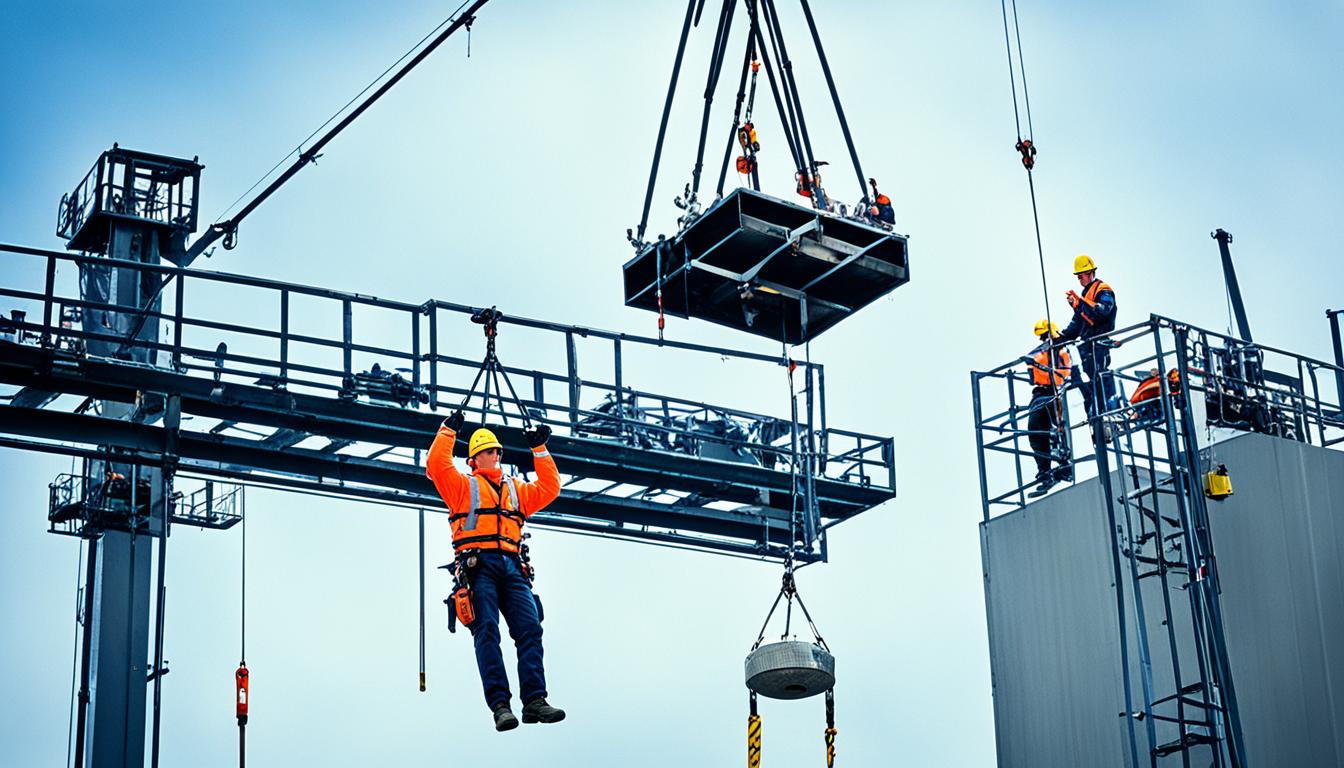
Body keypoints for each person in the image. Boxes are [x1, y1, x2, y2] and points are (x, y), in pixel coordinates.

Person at [426, 411, 565, 731]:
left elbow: (550, 488)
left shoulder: (516, 490)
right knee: (486, 630)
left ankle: (534, 702)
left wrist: (540, 450)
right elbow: (438, 465)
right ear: (474, 459)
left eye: (498, 450)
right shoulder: (461, 486)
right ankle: (500, 705)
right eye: (490, 451)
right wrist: (448, 431)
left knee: (530, 629)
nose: (497, 454)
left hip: (513, 568)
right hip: (479, 567)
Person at [1055, 254, 1118, 421]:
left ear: (1090, 272)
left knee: (1099, 377)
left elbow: (1103, 311)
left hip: (1099, 343)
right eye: (1077, 277)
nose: (1079, 279)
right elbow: (1078, 323)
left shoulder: (1102, 290)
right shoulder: (1086, 294)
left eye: (1081, 275)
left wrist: (1079, 303)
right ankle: (1093, 414)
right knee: (1087, 379)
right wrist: (1061, 338)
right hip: (1088, 346)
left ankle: (1107, 413)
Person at [1024, 320, 1073, 496]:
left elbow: (1069, 371)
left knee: (1058, 431)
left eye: (1046, 335)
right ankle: (1044, 471)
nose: (1045, 339)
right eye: (1043, 337)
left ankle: (1064, 465)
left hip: (1057, 393)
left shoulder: (1063, 350)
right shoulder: (1041, 352)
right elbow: (1032, 369)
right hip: (1039, 395)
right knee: (1037, 433)